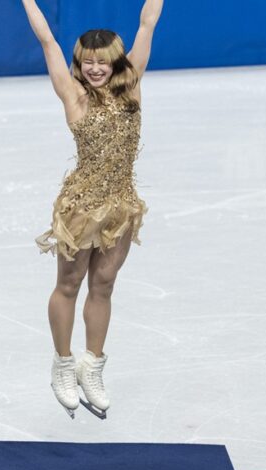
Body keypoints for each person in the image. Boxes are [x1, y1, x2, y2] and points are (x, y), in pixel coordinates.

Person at [20, 0, 163, 419]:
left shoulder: (132, 83)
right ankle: (63, 364)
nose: (95, 69)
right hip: (82, 207)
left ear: (116, 62)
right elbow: (46, 38)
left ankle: (92, 364)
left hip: (120, 205)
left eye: (102, 62)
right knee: (70, 284)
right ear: (78, 64)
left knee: (104, 284)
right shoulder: (72, 93)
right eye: (87, 62)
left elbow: (148, 19)